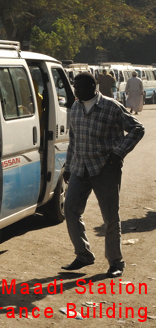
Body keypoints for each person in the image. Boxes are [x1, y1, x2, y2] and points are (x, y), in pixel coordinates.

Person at [61, 71, 144, 278]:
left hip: (105, 168)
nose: (76, 91)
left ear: (93, 87)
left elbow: (137, 129)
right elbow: (74, 139)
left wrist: (118, 153)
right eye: (74, 87)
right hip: (80, 167)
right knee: (70, 210)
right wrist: (68, 166)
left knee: (110, 217)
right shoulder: (76, 108)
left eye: (80, 88)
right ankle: (83, 255)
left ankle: (116, 262)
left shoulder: (110, 106)